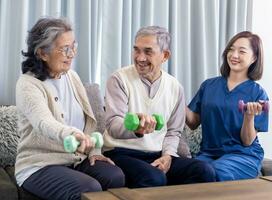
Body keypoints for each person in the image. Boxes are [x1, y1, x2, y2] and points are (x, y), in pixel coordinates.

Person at [15, 17, 125, 200]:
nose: (72, 53)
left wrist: (95, 151)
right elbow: (44, 122)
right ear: (42, 53)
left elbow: (90, 122)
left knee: (115, 176)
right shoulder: (28, 84)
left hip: (75, 159)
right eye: (65, 49)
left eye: (73, 46)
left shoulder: (71, 76)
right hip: (39, 165)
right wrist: (71, 134)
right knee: (89, 188)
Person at [103, 26, 216, 188]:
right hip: (120, 152)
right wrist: (136, 128)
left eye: (148, 52)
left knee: (204, 171)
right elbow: (113, 124)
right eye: (136, 50)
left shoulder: (175, 87)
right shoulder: (119, 79)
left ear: (165, 55)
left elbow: (173, 131)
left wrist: (168, 155)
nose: (140, 58)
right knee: (154, 178)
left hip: (157, 154)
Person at [186, 31, 269, 181]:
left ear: (254, 58)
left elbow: (247, 141)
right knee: (189, 172)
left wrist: (249, 116)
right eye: (231, 49)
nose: (234, 55)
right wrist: (175, 97)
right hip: (208, 154)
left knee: (216, 172)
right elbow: (192, 122)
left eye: (241, 51)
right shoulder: (209, 86)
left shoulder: (258, 94)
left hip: (243, 155)